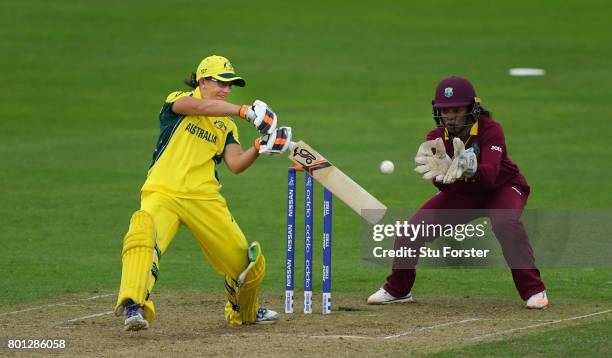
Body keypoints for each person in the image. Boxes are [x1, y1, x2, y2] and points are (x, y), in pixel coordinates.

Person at [114, 55, 293, 330]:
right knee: (143, 238)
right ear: (202, 79)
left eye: (230, 84)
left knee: (244, 261)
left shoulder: (227, 126)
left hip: (205, 198)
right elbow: (200, 106)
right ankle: (134, 307)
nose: (226, 89)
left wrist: (260, 146)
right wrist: (244, 110)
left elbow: (235, 164)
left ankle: (245, 312)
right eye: (220, 82)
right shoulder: (178, 101)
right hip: (163, 192)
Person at [367, 76, 548, 309]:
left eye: (456, 110)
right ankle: (398, 290)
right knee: (409, 233)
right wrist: (443, 174)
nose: (450, 116)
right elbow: (444, 187)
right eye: (444, 111)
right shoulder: (435, 138)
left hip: (503, 188)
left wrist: (468, 169)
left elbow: (491, 175)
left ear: (471, 108)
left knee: (505, 223)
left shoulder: (491, 129)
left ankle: (534, 290)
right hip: (465, 194)